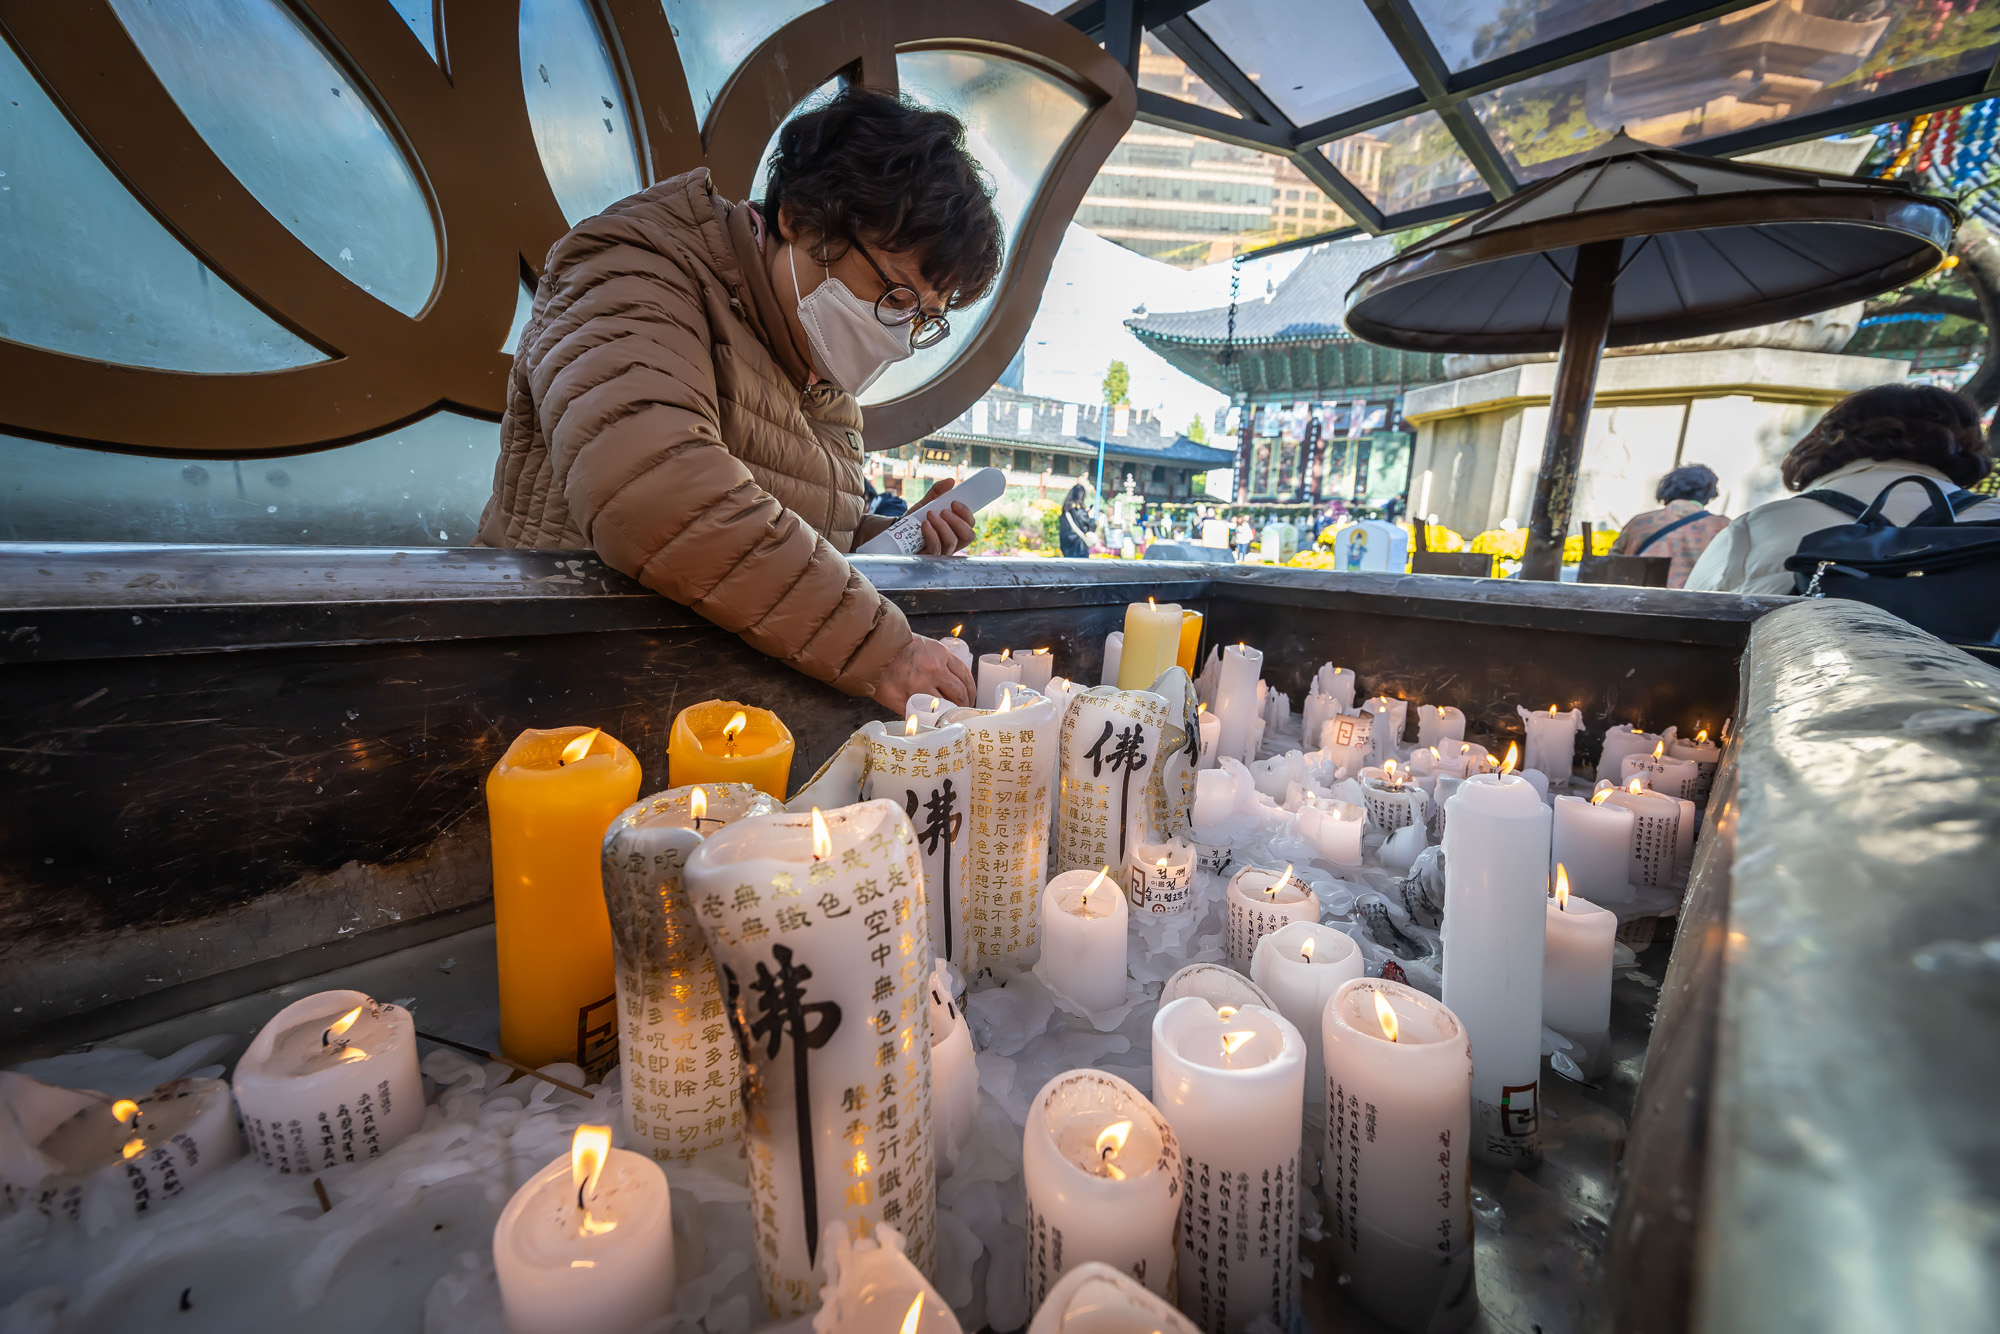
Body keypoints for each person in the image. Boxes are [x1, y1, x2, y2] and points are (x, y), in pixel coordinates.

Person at [478, 86, 997, 714]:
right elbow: (653, 492)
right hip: (565, 703)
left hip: (710, 711)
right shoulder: (636, 268)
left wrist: (892, 538)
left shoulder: (818, 367)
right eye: (894, 294)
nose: (900, 334)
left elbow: (782, 531)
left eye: (924, 320)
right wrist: (883, 649)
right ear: (800, 217)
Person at [1687, 384, 1997, 595]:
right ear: (1968, 445)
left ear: (1830, 438)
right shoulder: (1992, 522)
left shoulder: (1760, 526)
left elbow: (1691, 631)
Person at [1612, 464, 1730, 588]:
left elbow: (1613, 565)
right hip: (1697, 604)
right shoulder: (1722, 527)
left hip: (1638, 601)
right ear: (1710, 494)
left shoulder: (1640, 523)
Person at [1059, 483, 1096, 558]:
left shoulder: (1065, 511)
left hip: (1066, 548)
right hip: (1079, 548)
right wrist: (1091, 516)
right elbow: (1090, 529)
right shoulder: (1080, 512)